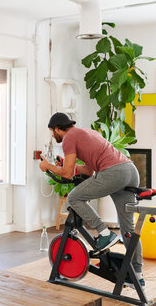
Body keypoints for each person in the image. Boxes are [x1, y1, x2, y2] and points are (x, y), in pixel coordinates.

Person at [39, 112, 144, 288]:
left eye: (52, 131)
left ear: (58, 128)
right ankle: (138, 277)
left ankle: (104, 233)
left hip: (114, 173)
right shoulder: (85, 133)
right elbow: (89, 171)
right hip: (129, 171)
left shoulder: (68, 138)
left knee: (73, 198)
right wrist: (66, 163)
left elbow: (67, 173)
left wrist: (47, 166)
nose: (52, 135)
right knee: (128, 230)